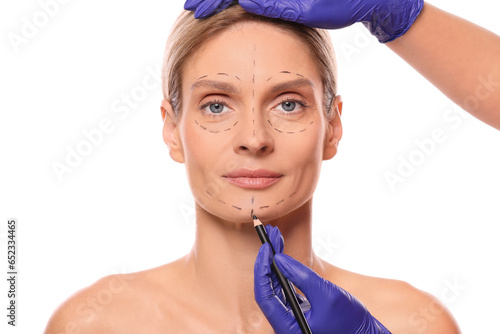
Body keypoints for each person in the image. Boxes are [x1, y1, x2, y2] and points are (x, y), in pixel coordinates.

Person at [44, 3, 461, 334]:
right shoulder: (94, 325)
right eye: (217, 105)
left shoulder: (412, 324)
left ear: (332, 127)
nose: (255, 137)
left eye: (289, 104)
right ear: (172, 130)